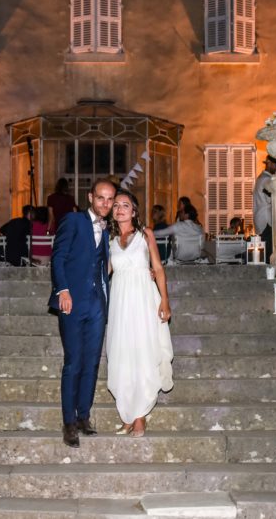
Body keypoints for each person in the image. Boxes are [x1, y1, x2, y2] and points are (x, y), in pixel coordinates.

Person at [49, 180, 114, 448]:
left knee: (92, 362)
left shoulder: (108, 230)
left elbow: (105, 265)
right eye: (101, 198)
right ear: (90, 197)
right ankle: (69, 423)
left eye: (110, 200)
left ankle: (84, 416)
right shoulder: (74, 221)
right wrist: (62, 291)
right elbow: (58, 257)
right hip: (72, 302)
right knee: (73, 362)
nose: (106, 204)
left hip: (97, 303)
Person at [105, 188, 173, 438]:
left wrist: (164, 300)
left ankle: (140, 417)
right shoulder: (110, 240)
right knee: (120, 355)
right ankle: (127, 414)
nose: (120, 208)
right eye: (116, 205)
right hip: (120, 302)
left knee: (142, 354)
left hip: (143, 299)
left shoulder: (146, 235)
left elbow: (158, 268)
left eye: (125, 205)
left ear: (134, 211)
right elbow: (105, 274)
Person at [253, 155, 276, 255]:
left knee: (266, 252)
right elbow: (271, 199)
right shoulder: (266, 179)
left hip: (262, 219)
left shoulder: (262, 178)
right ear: (268, 163)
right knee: (269, 253)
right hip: (266, 221)